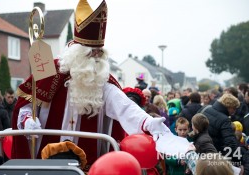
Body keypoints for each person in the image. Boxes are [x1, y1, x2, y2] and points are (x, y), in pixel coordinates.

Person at [11, 0, 176, 168]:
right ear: (77, 53)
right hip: (46, 161)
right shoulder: (49, 71)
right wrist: (27, 120)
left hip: (88, 164)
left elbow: (125, 108)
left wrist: (149, 123)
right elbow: (26, 106)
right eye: (92, 52)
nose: (97, 58)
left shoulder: (103, 81)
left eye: (100, 53)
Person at [198, 93, 241, 165]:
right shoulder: (225, 120)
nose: (234, 111)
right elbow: (231, 144)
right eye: (234, 108)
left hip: (199, 153)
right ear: (228, 106)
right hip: (215, 158)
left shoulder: (205, 108)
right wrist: (238, 162)